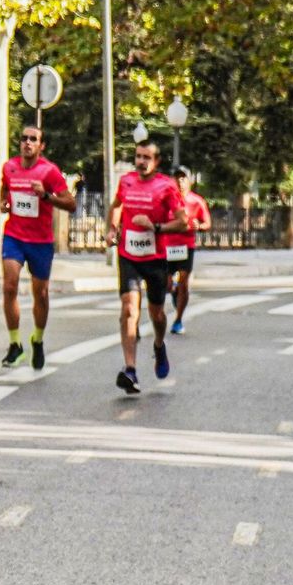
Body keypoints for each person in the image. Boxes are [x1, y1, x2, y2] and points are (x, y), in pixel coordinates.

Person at [107, 139, 186, 394]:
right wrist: (111, 229)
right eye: (138, 156)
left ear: (157, 161)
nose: (141, 161)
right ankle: (130, 369)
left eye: (146, 157)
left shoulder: (166, 187)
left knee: (157, 314)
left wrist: (157, 227)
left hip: (154, 258)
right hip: (128, 254)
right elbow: (116, 205)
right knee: (129, 309)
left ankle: (159, 344)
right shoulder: (126, 181)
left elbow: (183, 222)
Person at [0, 124, 74, 369]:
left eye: (33, 139)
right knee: (9, 285)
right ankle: (15, 344)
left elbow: (70, 204)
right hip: (14, 236)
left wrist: (46, 197)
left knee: (40, 293)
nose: (27, 143)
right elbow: (5, 186)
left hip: (40, 241)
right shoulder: (9, 167)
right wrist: (2, 201)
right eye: (24, 138)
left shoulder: (49, 172)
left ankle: (37, 339)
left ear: (41, 146)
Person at [165, 166, 210, 334]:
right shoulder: (167, 200)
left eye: (183, 178)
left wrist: (199, 225)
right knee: (167, 284)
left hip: (186, 247)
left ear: (189, 181)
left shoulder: (197, 201)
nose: (180, 182)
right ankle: (173, 289)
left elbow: (207, 223)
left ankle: (178, 320)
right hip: (167, 247)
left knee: (184, 283)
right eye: (177, 178)